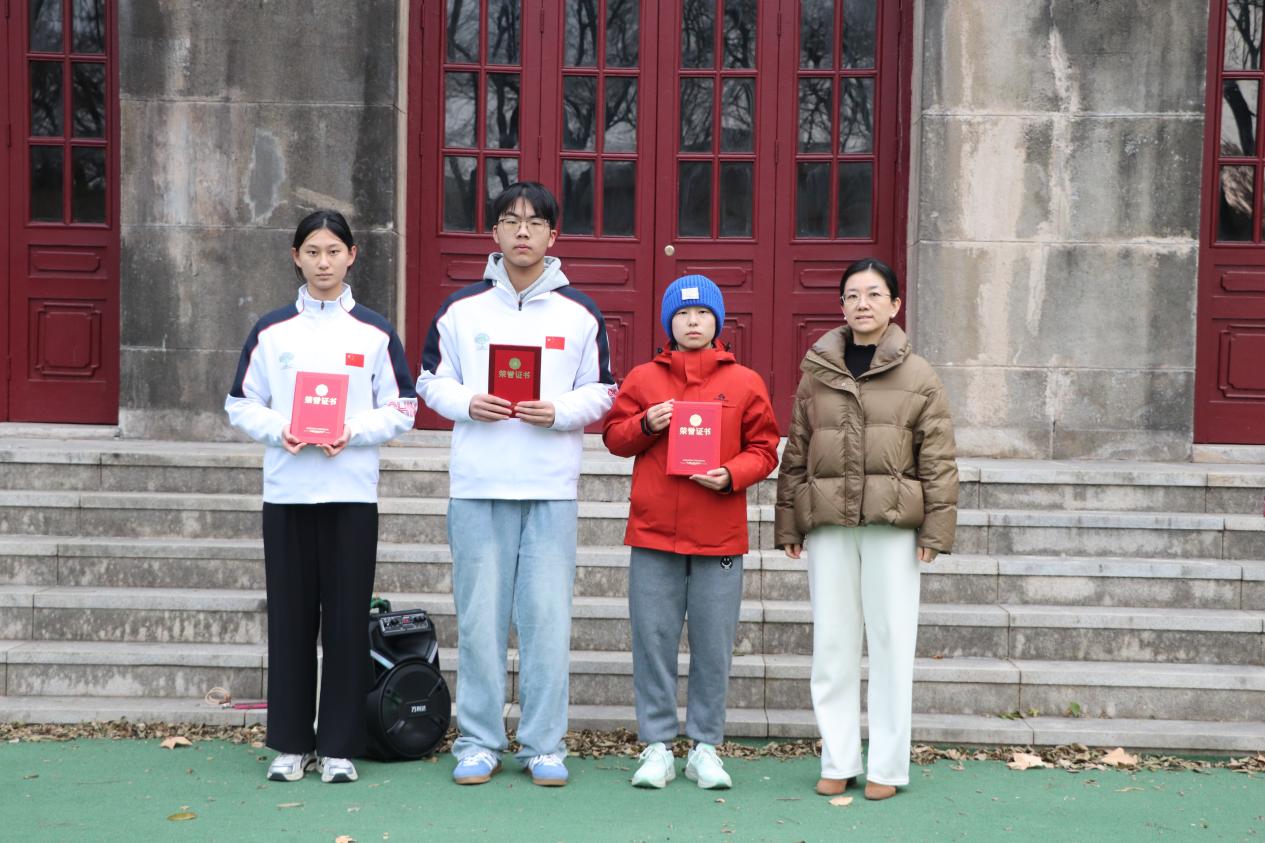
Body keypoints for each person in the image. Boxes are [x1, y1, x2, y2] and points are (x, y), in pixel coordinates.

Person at [415, 181, 615, 787]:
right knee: (480, 620)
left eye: (534, 222)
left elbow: (602, 390)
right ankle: (478, 741)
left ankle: (543, 743)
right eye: (510, 220)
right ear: (495, 231)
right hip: (479, 486)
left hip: (550, 488)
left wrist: (558, 411)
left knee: (546, 620)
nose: (522, 231)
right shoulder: (462, 310)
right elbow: (429, 380)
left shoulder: (579, 314)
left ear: (553, 235)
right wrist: (468, 403)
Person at [225, 209, 419, 784]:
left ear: (352, 256)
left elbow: (403, 407)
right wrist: (280, 429)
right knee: (290, 620)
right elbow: (240, 403)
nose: (324, 262)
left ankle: (337, 745)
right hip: (287, 494)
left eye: (334, 251)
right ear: (296, 257)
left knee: (345, 622)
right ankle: (290, 743)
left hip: (350, 495)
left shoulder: (375, 333)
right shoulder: (272, 331)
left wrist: (350, 431)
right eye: (312, 251)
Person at [774, 257, 958, 801]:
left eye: (875, 294)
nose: (863, 304)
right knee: (832, 645)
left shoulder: (919, 375)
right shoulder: (818, 372)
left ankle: (887, 766)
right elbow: (797, 451)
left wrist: (936, 529)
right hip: (829, 522)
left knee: (892, 643)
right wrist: (789, 521)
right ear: (841, 306)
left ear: (895, 305)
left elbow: (938, 457)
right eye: (853, 295)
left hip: (892, 525)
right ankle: (838, 758)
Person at [603, 275, 779, 790]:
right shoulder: (643, 379)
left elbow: (765, 448)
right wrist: (646, 424)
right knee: (652, 641)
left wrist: (732, 475)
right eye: (682, 314)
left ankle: (706, 747)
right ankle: (657, 746)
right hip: (654, 531)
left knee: (713, 644)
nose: (693, 321)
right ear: (669, 323)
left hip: (718, 533)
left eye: (703, 312)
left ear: (718, 321)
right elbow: (614, 437)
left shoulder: (745, 382)